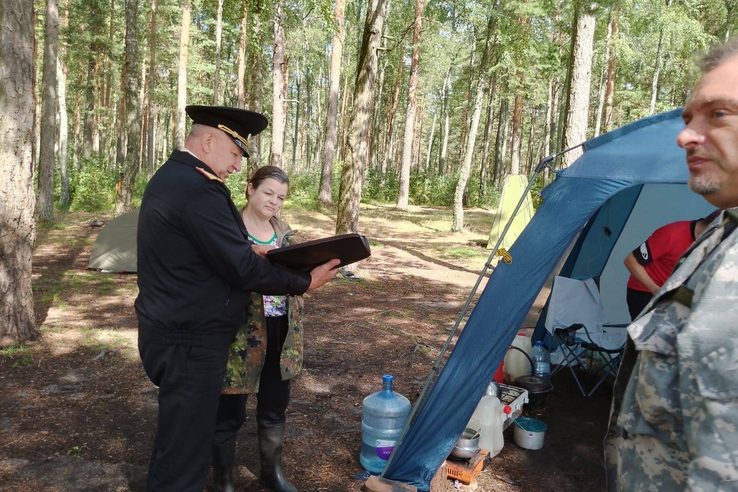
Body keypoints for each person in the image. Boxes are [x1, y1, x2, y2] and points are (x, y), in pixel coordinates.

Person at [135, 105, 340, 492]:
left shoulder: (178, 179)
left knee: (181, 442)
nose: (235, 165)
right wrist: (304, 281)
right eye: (234, 154)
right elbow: (241, 269)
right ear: (209, 140)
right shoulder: (196, 188)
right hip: (189, 343)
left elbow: (221, 252)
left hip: (179, 334)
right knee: (183, 457)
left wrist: (254, 254)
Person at [605, 40, 738, 492]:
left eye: (718, 114)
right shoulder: (713, 231)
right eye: (687, 120)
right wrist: (648, 291)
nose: (684, 136)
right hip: (638, 290)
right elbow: (630, 258)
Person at [210, 166, 304, 492]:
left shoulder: (285, 233)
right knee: (228, 412)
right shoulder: (228, 230)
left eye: (280, 197)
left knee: (274, 405)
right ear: (250, 189)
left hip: (280, 332)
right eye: (268, 193)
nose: (274, 202)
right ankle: (223, 481)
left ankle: (271, 473)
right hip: (239, 337)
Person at [623, 213, 717, 320]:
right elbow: (631, 261)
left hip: (676, 292)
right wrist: (655, 290)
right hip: (647, 291)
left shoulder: (713, 242)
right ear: (712, 227)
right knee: (649, 334)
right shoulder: (671, 234)